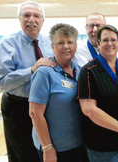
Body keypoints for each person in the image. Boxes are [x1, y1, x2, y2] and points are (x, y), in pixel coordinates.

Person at [0, 1, 55, 161]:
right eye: (27, 15)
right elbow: (2, 82)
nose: (32, 20)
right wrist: (31, 70)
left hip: (45, 106)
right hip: (19, 106)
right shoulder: (8, 43)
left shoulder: (49, 41)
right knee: (22, 154)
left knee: (45, 150)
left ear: (43, 21)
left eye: (36, 16)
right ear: (20, 19)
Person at [78, 24, 118, 162]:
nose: (110, 43)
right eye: (105, 40)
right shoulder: (89, 71)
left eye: (113, 40)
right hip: (103, 144)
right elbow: (89, 109)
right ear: (98, 43)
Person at [29, 23, 87, 162]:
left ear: (75, 46)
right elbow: (35, 114)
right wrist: (48, 148)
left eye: (70, 42)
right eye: (60, 42)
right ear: (52, 46)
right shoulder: (44, 72)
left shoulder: (80, 71)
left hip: (78, 145)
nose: (66, 46)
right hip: (56, 148)